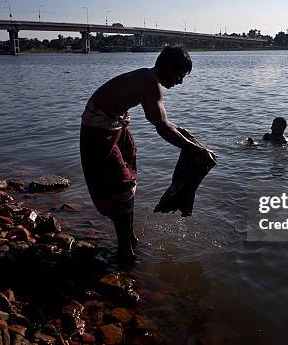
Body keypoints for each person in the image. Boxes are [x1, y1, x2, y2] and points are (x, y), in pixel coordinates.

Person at [79, 46, 212, 261]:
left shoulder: (147, 77)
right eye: (180, 75)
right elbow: (161, 126)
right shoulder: (151, 82)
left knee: (127, 180)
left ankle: (130, 239)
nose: (180, 82)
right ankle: (125, 252)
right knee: (119, 185)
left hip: (113, 124)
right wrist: (195, 149)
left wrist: (185, 135)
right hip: (99, 129)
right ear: (168, 68)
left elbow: (163, 122)